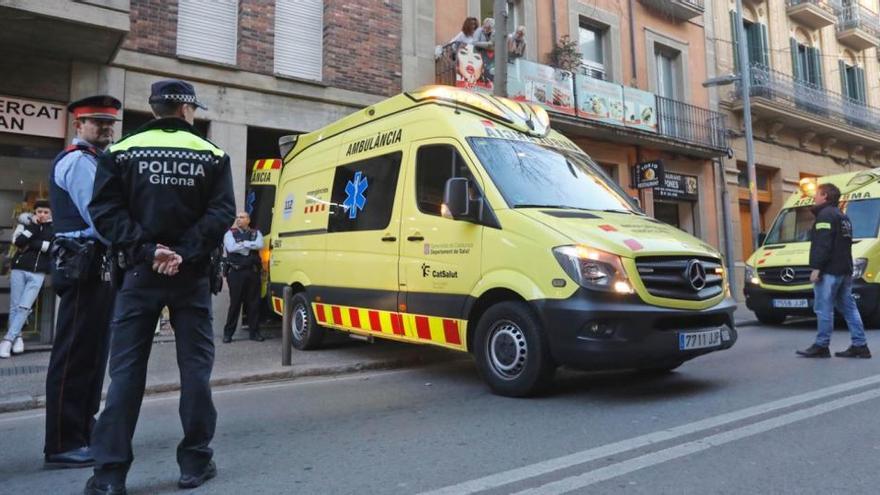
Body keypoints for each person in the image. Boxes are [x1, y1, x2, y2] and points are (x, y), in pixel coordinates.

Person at [86, 79, 235, 494]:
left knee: (126, 375)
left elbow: (105, 211)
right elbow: (222, 212)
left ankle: (110, 475)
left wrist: (149, 251)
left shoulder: (120, 151)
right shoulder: (213, 155)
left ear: (154, 109)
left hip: (138, 274)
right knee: (195, 373)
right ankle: (194, 464)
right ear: (187, 111)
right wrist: (183, 252)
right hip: (190, 278)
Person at [43, 95, 120, 469]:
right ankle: (62, 442)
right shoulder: (78, 161)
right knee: (74, 354)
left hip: (94, 266)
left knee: (91, 353)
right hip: (82, 266)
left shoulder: (96, 160)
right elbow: (101, 217)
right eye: (95, 122)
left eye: (108, 123)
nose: (104, 128)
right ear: (78, 125)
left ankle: (82, 432)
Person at [797, 183, 871, 359]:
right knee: (849, 308)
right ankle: (860, 345)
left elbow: (823, 244)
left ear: (825, 196)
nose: (814, 197)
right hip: (844, 269)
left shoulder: (825, 216)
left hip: (830, 270)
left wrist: (817, 268)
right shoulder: (842, 216)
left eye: (817, 194)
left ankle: (822, 345)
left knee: (823, 308)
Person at [1, 201, 53, 359]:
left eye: (45, 212)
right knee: (15, 306)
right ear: (34, 212)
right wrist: (34, 228)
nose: (42, 214)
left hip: (38, 272)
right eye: (39, 211)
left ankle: (7, 340)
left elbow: (50, 247)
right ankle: (17, 338)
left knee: (24, 307)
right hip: (19, 268)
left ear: (50, 213)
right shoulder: (25, 223)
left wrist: (31, 243)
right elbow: (18, 242)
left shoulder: (54, 228)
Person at [222, 211, 265, 343]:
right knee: (235, 304)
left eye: (242, 217)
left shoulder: (256, 233)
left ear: (248, 220)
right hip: (236, 273)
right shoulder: (230, 233)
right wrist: (248, 245)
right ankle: (228, 334)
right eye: (237, 217)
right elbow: (231, 247)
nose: (239, 219)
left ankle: (254, 333)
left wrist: (242, 244)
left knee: (254, 303)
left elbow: (259, 245)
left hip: (252, 272)